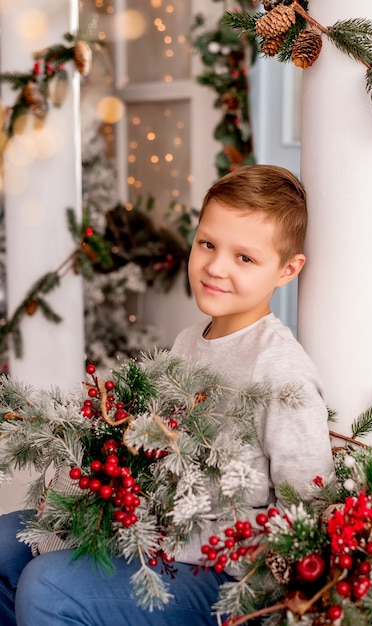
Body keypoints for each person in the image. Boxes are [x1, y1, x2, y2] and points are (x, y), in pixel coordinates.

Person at [0, 164, 334, 625]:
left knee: (48, 587)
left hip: (227, 574)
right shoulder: (188, 342)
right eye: (208, 244)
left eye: (245, 258)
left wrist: (164, 537)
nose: (215, 267)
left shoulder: (280, 370)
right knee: (5, 543)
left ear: (287, 270)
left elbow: (303, 524)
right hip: (154, 531)